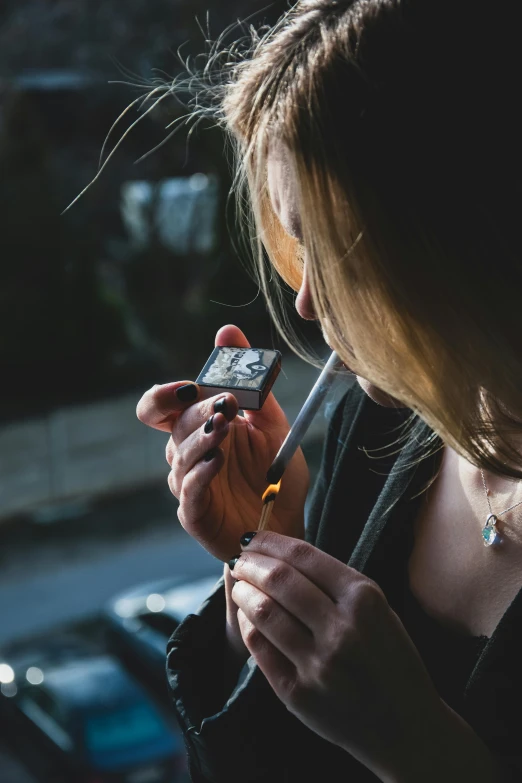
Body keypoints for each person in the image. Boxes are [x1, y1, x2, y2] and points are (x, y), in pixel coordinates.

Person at [136, 0, 522, 779]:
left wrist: (417, 745)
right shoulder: (378, 426)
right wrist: (269, 547)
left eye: (333, 246)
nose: (307, 301)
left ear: (451, 230)